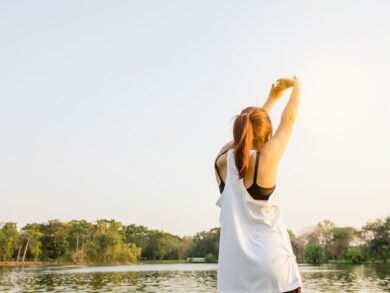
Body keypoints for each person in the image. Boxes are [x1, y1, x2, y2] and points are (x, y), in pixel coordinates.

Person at [214, 76, 303, 293]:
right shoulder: (266, 159)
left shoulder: (221, 160)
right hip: (274, 269)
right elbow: (288, 120)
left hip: (234, 278)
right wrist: (297, 87)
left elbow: (245, 136)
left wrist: (270, 100)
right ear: (267, 135)